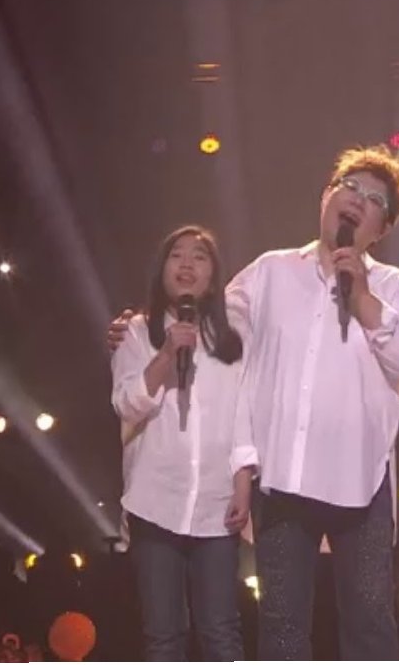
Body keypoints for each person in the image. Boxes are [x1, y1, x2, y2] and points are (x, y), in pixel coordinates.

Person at [107, 144, 399, 660]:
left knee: (370, 623)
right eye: (348, 187)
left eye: (373, 199)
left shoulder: (394, 287)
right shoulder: (270, 272)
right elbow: (215, 326)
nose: (356, 200)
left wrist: (364, 298)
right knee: (281, 628)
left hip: (360, 480)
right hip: (282, 481)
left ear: (382, 227)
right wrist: (143, 326)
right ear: (326, 197)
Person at [110, 225, 253, 661]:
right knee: (163, 636)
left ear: (214, 275)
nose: (187, 264)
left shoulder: (233, 337)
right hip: (155, 501)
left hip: (217, 506)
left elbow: (245, 415)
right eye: (177, 255)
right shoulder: (136, 332)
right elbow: (127, 404)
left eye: (200, 256)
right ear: (162, 269)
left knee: (221, 631)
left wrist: (243, 484)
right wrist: (166, 354)